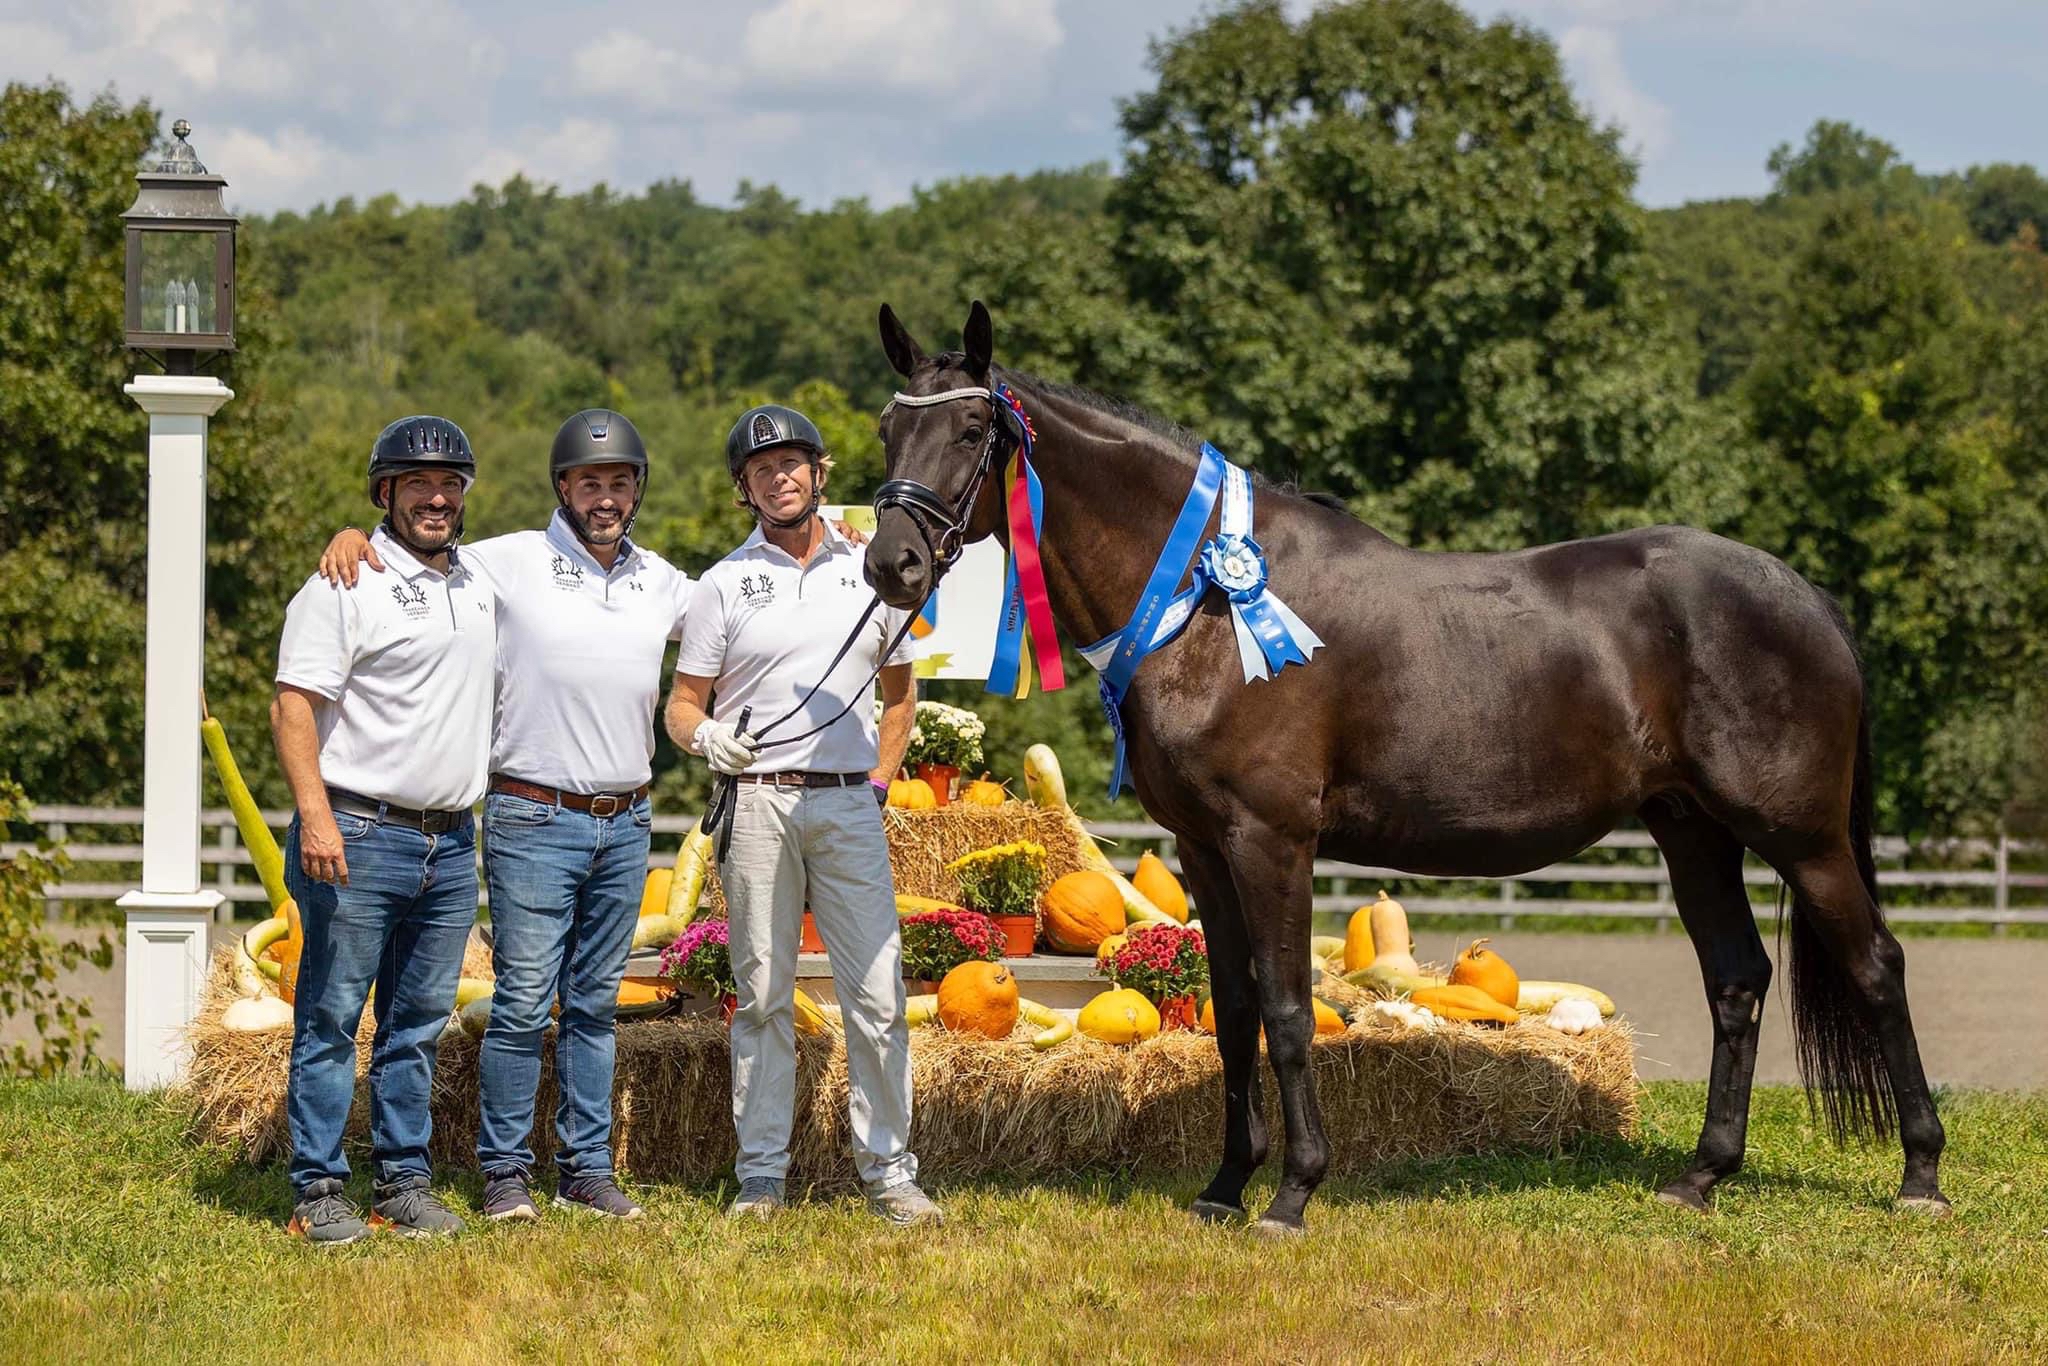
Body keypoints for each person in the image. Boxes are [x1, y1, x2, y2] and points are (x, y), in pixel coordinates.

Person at [315, 410, 691, 1222]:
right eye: (588, 482)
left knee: (593, 1002)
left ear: (636, 492)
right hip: (531, 814)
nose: (604, 497)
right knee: (522, 1003)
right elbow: (413, 548)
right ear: (563, 486)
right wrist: (351, 533)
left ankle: (587, 1169)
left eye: (619, 483)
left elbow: (740, 621)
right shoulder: (506, 562)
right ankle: (505, 1175)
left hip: (625, 820)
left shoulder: (663, 581)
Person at [665, 403, 940, 1226]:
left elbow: (901, 698)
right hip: (756, 802)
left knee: (879, 995)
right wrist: (708, 736)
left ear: (820, 473)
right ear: (744, 489)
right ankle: (760, 1175)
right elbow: (681, 705)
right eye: (760, 469)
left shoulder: (875, 574)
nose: (777, 477)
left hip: (849, 803)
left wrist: (882, 782)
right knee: (761, 995)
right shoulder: (722, 584)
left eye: (791, 463)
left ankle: (890, 1170)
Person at [272, 415, 494, 1244]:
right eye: (417, 485)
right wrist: (317, 817)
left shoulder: (477, 581)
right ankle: (317, 1192)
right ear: (384, 494)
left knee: (415, 1025)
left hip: (449, 838)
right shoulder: (342, 584)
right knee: (330, 1018)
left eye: (449, 485)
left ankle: (402, 1184)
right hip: (358, 833)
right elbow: (293, 706)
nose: (437, 498)